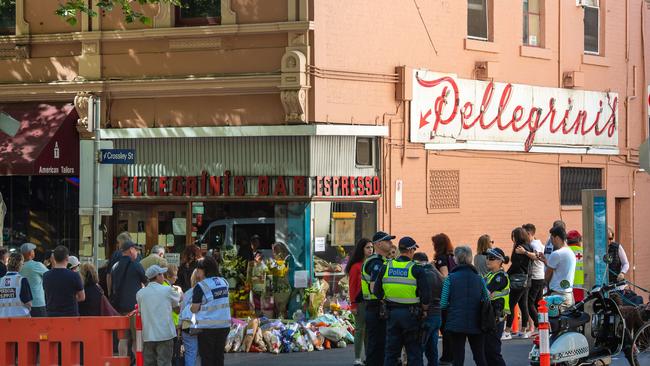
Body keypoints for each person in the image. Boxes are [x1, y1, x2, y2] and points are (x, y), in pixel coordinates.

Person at [374, 237, 430, 366]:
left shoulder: (386, 266)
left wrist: (387, 298)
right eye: (414, 249)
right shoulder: (416, 269)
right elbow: (426, 295)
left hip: (391, 314)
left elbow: (377, 292)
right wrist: (425, 310)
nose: (414, 252)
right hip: (411, 315)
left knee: (391, 353)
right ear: (410, 250)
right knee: (414, 353)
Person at [440, 246, 489, 366]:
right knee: (479, 356)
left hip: (456, 322)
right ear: (470, 258)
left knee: (458, 358)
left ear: (456, 259)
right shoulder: (479, 278)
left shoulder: (450, 278)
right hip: (477, 321)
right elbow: (486, 298)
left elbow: (443, 303)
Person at [137, 265, 182, 366]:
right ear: (157, 276)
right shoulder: (168, 290)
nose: (164, 277)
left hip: (148, 335)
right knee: (165, 362)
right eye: (162, 274)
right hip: (165, 334)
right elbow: (177, 309)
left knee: (149, 363)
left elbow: (140, 310)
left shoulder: (140, 293)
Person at [361, 231, 394, 366]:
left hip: (377, 308)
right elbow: (374, 287)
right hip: (376, 308)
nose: (391, 243)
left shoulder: (383, 261)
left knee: (381, 345)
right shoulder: (376, 262)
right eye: (387, 241)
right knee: (377, 346)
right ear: (379, 244)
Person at [191, 256, 231, 366]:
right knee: (219, 357)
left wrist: (190, 307)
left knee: (207, 358)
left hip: (207, 328)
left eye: (198, 269)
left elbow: (194, 308)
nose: (197, 272)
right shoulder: (224, 282)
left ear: (204, 270)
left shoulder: (201, 286)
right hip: (224, 326)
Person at [345, 238, 373, 366]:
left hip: (370, 302)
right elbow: (352, 287)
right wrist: (353, 305)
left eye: (371, 247)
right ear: (362, 249)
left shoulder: (371, 264)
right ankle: (357, 358)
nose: (370, 249)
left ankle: (369, 357)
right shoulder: (356, 267)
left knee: (368, 331)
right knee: (360, 330)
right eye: (367, 247)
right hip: (360, 302)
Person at [413, 252, 443, 366]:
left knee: (419, 348)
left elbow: (422, 295)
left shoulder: (423, 274)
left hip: (426, 315)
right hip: (437, 314)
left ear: (418, 262)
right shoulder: (437, 273)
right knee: (432, 348)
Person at [483, 248, 511, 366]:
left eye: (491, 258)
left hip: (496, 317)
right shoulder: (490, 274)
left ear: (500, 261)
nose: (488, 260)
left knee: (493, 351)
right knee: (486, 351)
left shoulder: (500, 277)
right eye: (487, 257)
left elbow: (485, 293)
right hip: (489, 316)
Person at [505, 227, 533, 339]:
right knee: (523, 305)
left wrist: (506, 274)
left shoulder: (519, 248)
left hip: (517, 280)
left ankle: (507, 331)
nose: (513, 239)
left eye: (513, 236)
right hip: (527, 279)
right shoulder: (528, 247)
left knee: (511, 304)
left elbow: (515, 265)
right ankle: (523, 330)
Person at [540, 225, 576, 312]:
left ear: (556, 238)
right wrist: (546, 261)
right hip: (569, 294)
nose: (551, 242)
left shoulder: (556, 254)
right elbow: (559, 269)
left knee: (553, 323)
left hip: (557, 296)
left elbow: (547, 276)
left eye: (551, 239)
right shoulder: (570, 252)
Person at [432, 233, 455, 365]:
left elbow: (445, 277)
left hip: (444, 297)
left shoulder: (441, 259)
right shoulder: (452, 256)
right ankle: (451, 355)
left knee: (445, 328)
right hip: (453, 296)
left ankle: (447, 356)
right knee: (449, 328)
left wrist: (432, 268)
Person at [43, 245, 85, 317]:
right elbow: (82, 297)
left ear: (54, 258)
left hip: (52, 315)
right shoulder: (74, 276)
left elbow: (47, 295)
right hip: (70, 315)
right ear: (67, 258)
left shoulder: (46, 275)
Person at [110, 240, 147, 314]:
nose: (137, 252)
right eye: (136, 250)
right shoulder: (136, 265)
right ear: (131, 250)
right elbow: (146, 280)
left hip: (118, 306)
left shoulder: (115, 266)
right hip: (133, 306)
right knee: (132, 325)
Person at [18, 242, 48, 317]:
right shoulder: (37, 265)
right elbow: (50, 276)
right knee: (41, 327)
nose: (34, 252)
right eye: (33, 251)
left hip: (23, 304)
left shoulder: (19, 266)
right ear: (29, 253)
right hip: (38, 302)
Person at [0, 252, 32, 317]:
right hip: (19, 320)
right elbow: (28, 304)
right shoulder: (22, 280)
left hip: (2, 319)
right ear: (20, 264)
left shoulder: (1, 280)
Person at [180, 269, 201, 366]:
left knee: (190, 352)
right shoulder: (208, 292)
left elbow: (182, 311)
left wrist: (179, 326)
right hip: (204, 324)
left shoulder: (188, 293)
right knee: (206, 353)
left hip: (188, 325)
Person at [566, 230, 585, 302]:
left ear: (567, 241)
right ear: (579, 240)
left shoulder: (564, 252)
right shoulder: (585, 252)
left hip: (567, 288)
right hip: (582, 289)